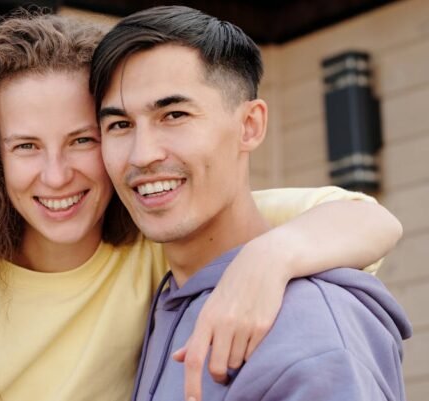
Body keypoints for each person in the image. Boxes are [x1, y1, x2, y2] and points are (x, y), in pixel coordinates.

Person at [0, 10, 403, 401]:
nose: (57, 175)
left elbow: (366, 216)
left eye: (82, 139)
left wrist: (268, 259)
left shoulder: (154, 241)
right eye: (26, 146)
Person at [90, 5, 411, 401]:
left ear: (249, 125)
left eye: (174, 115)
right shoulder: (163, 302)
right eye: (120, 125)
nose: (142, 155)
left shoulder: (309, 327)